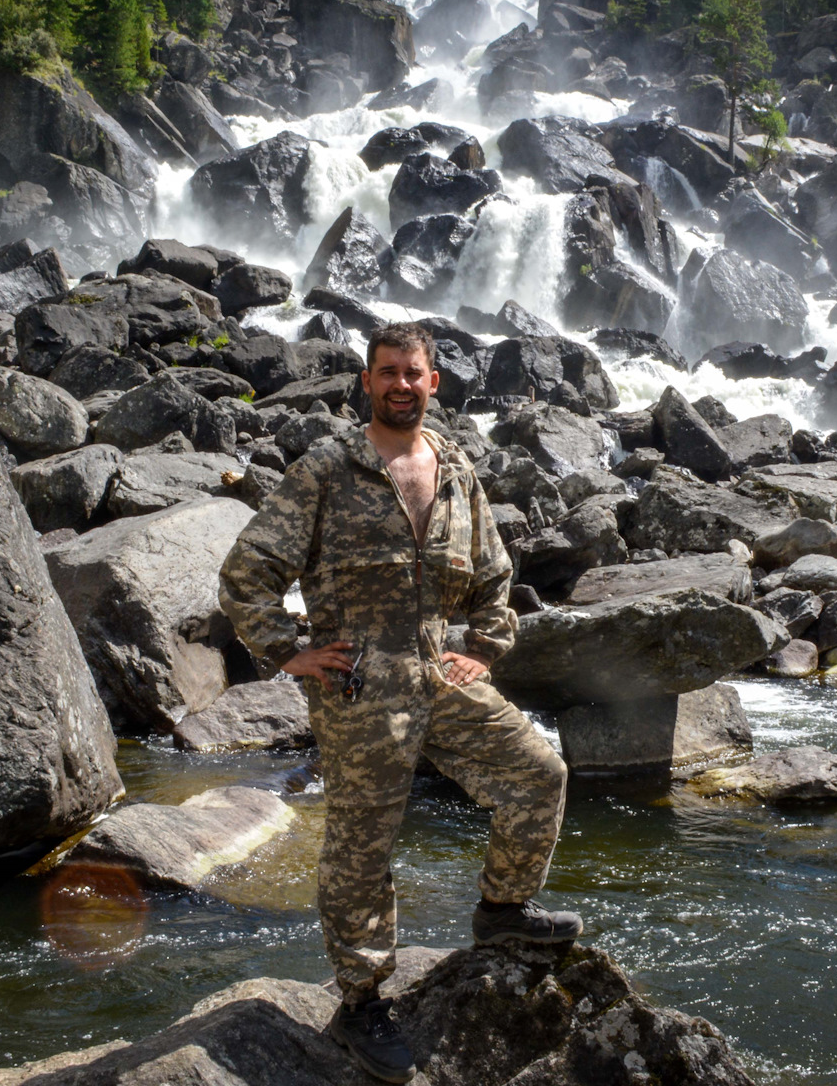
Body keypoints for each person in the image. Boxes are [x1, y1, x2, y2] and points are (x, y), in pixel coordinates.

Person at [218, 320, 580, 1083]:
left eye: (412, 373)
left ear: (433, 381)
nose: (400, 384)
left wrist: (483, 649)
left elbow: (493, 574)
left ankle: (502, 912)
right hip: (358, 682)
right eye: (386, 373)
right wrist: (289, 652)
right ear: (368, 383)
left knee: (538, 774)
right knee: (363, 846)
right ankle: (361, 1002)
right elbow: (246, 572)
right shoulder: (326, 469)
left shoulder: (453, 468)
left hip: (437, 669)